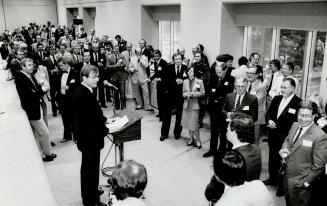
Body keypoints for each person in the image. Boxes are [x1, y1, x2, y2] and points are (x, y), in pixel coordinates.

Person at [72, 64, 109, 206]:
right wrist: (105, 129)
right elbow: (89, 123)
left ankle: (91, 192)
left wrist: (105, 121)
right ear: (84, 77)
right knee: (90, 171)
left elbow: (93, 115)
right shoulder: (82, 95)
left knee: (89, 169)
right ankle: (91, 201)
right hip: (90, 140)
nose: (97, 79)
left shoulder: (85, 90)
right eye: (94, 77)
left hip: (88, 139)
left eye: (98, 76)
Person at [280, 100, 327, 206]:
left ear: (314, 116)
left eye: (307, 116)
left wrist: (306, 183)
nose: (303, 119)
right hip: (287, 177)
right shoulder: (295, 125)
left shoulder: (320, 136)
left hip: (302, 184)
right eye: (301, 115)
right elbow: (287, 140)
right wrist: (284, 149)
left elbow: (319, 165)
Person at [264, 78, 302, 196]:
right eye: (281, 87)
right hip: (273, 135)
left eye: (285, 87)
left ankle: (281, 186)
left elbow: (297, 122)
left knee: (284, 162)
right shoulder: (276, 98)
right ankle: (272, 179)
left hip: (286, 138)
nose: (282, 90)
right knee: (272, 158)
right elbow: (269, 113)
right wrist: (269, 120)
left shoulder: (298, 103)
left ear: (293, 88)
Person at [14, 58, 56, 161]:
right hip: (32, 111)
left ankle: (42, 154)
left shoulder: (30, 76)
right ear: (22, 67)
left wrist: (39, 91)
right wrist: (42, 89)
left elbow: (35, 91)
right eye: (28, 65)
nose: (32, 66)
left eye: (32, 64)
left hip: (36, 107)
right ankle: (48, 154)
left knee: (38, 134)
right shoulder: (21, 78)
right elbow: (30, 95)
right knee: (45, 133)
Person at [203, 61, 234, 158]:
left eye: (220, 72)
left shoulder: (230, 79)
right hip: (213, 108)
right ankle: (212, 150)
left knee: (223, 131)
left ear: (225, 70)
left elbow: (228, 94)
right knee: (214, 130)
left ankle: (221, 151)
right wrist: (215, 97)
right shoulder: (213, 77)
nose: (218, 73)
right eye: (217, 71)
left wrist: (217, 97)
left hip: (223, 109)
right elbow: (209, 90)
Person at [222, 78, 258, 147]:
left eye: (242, 86)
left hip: (244, 133)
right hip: (231, 131)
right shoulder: (229, 96)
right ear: (235, 86)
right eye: (238, 86)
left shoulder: (252, 99)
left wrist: (236, 115)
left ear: (246, 86)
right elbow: (223, 109)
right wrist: (227, 114)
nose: (240, 88)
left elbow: (254, 117)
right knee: (231, 149)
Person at [160, 53, 188, 141]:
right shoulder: (169, 67)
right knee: (167, 115)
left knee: (179, 115)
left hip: (180, 95)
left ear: (182, 59)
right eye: (176, 59)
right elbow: (165, 80)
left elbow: (188, 78)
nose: (178, 60)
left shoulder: (185, 68)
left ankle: (177, 133)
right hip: (170, 94)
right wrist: (176, 81)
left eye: (179, 59)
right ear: (174, 60)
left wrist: (182, 81)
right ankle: (164, 134)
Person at [181, 67, 205, 149]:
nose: (190, 72)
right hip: (187, 105)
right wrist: (185, 95)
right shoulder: (185, 81)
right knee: (188, 123)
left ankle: (198, 140)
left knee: (194, 124)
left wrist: (192, 94)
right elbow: (183, 93)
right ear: (187, 72)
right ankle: (191, 139)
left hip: (195, 105)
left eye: (192, 71)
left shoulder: (199, 81)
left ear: (194, 72)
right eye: (188, 71)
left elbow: (202, 93)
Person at [57, 57, 80, 143]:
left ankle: (76, 137)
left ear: (67, 64)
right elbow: (57, 86)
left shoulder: (75, 73)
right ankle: (67, 136)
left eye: (61, 65)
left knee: (74, 119)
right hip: (62, 99)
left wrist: (69, 88)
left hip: (72, 100)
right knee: (65, 118)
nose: (60, 67)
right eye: (59, 66)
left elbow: (78, 87)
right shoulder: (60, 73)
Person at [246, 66, 267, 145]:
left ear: (257, 75)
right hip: (245, 116)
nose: (249, 75)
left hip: (256, 117)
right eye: (247, 73)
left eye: (251, 73)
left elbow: (256, 102)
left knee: (254, 141)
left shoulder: (262, 86)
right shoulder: (246, 84)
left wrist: (243, 103)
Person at [150, 50, 168, 120]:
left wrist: (159, 79)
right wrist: (150, 79)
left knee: (163, 100)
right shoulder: (155, 63)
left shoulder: (164, 62)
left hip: (164, 84)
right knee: (159, 99)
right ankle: (160, 113)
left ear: (160, 55)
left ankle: (163, 116)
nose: (156, 57)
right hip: (159, 84)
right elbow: (156, 74)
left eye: (157, 56)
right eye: (155, 56)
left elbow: (166, 74)